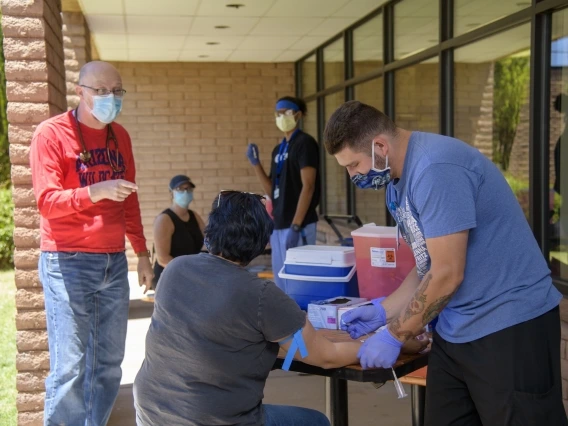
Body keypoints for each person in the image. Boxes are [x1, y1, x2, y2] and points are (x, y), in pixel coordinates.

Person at [323, 100, 567, 426]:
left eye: (353, 164)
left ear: (379, 146)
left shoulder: (435, 169)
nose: (352, 175)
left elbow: (448, 274)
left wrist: (395, 334)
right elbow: (429, 265)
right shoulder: (396, 182)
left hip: (510, 326)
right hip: (456, 331)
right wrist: (384, 310)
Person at [133, 190, 427, 426]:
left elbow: (230, 335)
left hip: (151, 411)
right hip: (213, 418)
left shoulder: (176, 269)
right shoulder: (261, 295)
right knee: (317, 422)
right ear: (262, 243)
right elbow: (327, 357)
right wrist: (394, 340)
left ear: (211, 230)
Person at [30, 61, 153, 426]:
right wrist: (93, 192)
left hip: (113, 263)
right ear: (80, 91)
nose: (110, 98)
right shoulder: (51, 135)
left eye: (116, 90)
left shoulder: (121, 137)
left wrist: (142, 254)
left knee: (107, 364)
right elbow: (47, 203)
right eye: (100, 91)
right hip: (66, 261)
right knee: (69, 367)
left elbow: (129, 200)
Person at [246, 96, 321, 292]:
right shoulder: (278, 150)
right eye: (278, 113)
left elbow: (309, 186)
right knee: (281, 281)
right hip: (279, 223)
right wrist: (256, 165)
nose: (281, 117)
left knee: (301, 281)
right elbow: (272, 191)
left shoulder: (305, 143)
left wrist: (296, 226)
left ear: (298, 114)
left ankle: (304, 321)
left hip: (299, 224)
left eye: (286, 112)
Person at [152, 174, 205, 290]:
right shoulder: (164, 219)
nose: (185, 192)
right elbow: (163, 259)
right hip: (170, 278)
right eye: (180, 189)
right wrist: (190, 274)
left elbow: (208, 242)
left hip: (192, 275)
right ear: (171, 193)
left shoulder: (194, 216)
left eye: (188, 189)